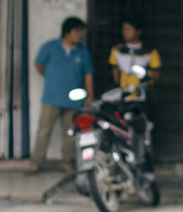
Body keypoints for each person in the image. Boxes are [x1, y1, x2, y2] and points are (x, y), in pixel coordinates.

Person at [27, 16, 94, 174]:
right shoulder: (50, 47)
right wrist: (51, 76)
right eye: (77, 31)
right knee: (44, 131)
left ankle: (67, 164)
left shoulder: (83, 51)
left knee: (70, 134)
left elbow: (89, 74)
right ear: (67, 32)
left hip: (74, 100)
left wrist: (90, 96)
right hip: (52, 97)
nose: (80, 35)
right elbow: (38, 64)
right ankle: (36, 163)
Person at [109, 18, 161, 163]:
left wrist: (146, 75)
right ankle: (124, 158)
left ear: (138, 31)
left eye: (128, 29)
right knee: (121, 128)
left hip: (142, 97)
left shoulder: (150, 51)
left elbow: (156, 74)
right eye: (123, 29)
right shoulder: (117, 50)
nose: (124, 32)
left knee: (145, 129)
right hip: (123, 97)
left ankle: (145, 158)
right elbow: (114, 72)